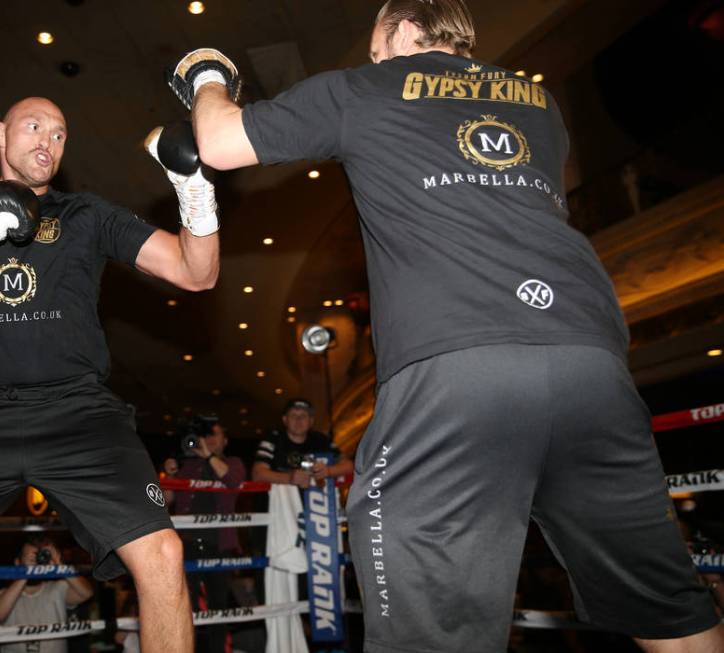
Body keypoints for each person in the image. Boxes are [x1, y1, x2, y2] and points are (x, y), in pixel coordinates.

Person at [166, 2, 724, 651]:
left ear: (403, 30)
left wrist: (205, 73)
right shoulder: (539, 106)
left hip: (456, 367)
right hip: (592, 361)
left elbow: (218, 140)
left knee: (429, 632)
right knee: (672, 614)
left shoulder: (365, 87)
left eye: (376, 45)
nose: (372, 58)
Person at [0, 97, 219, 653]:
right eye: (33, 127)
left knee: (164, 555)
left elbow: (197, 273)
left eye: (59, 132)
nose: (47, 140)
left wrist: (193, 187)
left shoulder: (87, 215)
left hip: (78, 413)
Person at [163, 416, 246, 653]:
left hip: (219, 544)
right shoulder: (186, 465)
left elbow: (233, 481)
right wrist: (168, 475)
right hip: (185, 545)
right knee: (184, 608)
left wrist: (208, 455)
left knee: (218, 608)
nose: (208, 439)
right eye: (205, 435)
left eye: (214, 435)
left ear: (225, 440)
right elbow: (166, 501)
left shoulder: (233, 462)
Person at [0, 537, 93, 653]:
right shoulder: (3, 594)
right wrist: (27, 572)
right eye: (31, 558)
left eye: (40, 557)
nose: (37, 561)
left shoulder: (58, 588)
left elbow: (86, 593)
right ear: (17, 562)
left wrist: (61, 566)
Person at [251, 398, 353, 488]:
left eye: (303, 416)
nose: (298, 420)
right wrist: (289, 478)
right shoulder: (273, 439)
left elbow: (349, 466)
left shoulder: (321, 440)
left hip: (317, 506)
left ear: (311, 421)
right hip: (279, 505)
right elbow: (258, 474)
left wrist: (328, 471)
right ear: (285, 420)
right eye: (293, 415)